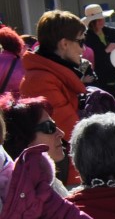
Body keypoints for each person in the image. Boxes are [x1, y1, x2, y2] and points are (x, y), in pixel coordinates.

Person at [19, 10, 89, 149]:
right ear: (64, 44)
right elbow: (75, 133)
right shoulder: (41, 81)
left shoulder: (51, 74)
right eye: (81, 41)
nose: (84, 49)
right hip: (66, 158)